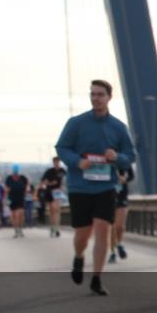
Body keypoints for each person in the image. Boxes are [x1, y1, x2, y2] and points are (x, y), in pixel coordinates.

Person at [55, 79, 136, 296]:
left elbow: (130, 157)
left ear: (109, 97)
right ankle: (79, 257)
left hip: (106, 187)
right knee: (83, 234)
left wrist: (117, 157)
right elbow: (62, 148)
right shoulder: (76, 123)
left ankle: (97, 278)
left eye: (100, 94)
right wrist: (76, 162)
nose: (95, 98)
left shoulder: (118, 128)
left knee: (103, 228)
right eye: (93, 94)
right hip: (80, 187)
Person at [108, 167, 134, 263]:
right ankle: (112, 252)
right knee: (112, 226)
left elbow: (131, 176)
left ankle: (118, 243)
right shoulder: (107, 159)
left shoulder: (124, 160)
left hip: (122, 194)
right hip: (110, 194)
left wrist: (125, 179)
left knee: (120, 226)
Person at [41, 157, 66, 237]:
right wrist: (50, 183)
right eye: (55, 162)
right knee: (51, 210)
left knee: (57, 209)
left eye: (58, 162)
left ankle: (57, 228)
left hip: (58, 192)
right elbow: (43, 180)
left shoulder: (62, 171)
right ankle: (52, 226)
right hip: (49, 192)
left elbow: (66, 179)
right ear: (53, 162)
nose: (57, 163)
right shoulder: (49, 171)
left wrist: (62, 184)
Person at [4, 166, 29, 238]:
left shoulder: (23, 178)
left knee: (20, 215)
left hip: (21, 198)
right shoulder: (9, 178)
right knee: (14, 215)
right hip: (12, 199)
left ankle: (20, 229)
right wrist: (5, 197)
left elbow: (27, 185)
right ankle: (16, 230)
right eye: (14, 171)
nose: (15, 173)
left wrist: (27, 190)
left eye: (17, 171)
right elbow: (6, 188)